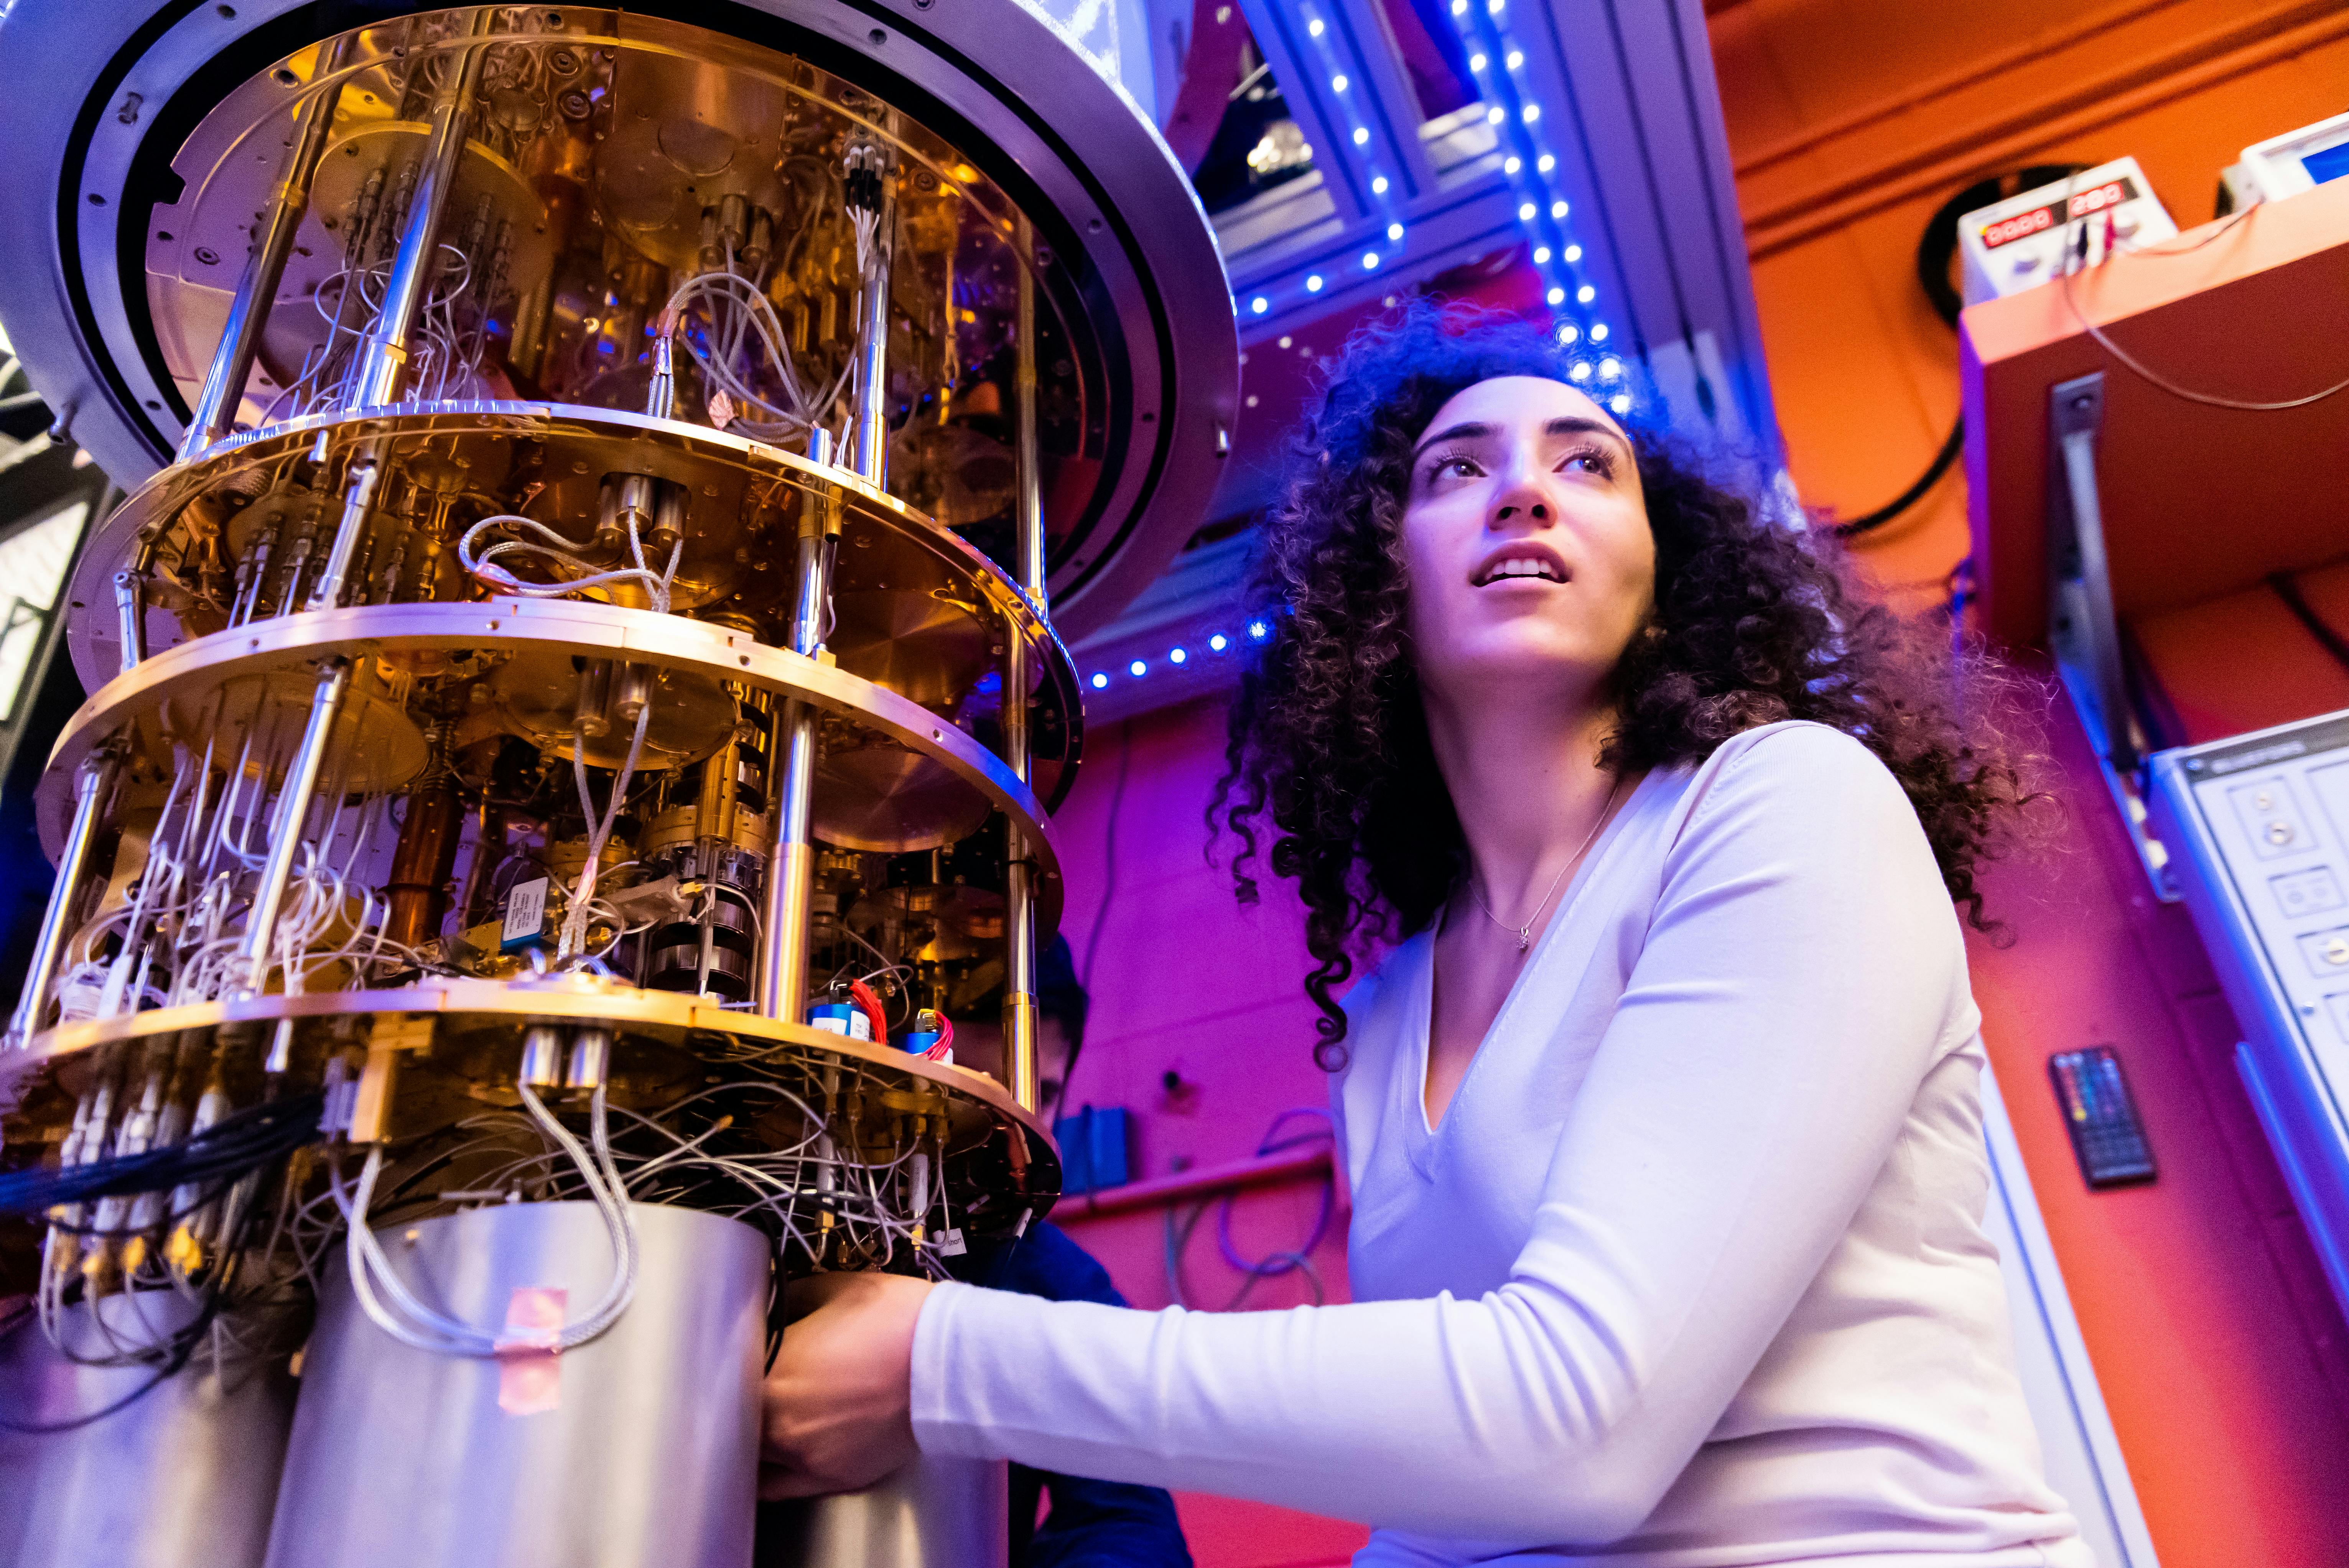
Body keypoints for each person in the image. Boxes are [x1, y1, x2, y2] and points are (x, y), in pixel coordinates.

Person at [758, 302, 2085, 1567]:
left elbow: (1579, 1426)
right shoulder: (1391, 1009)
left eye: (1587, 465)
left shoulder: (1782, 804)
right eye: (1457, 470)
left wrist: (945, 1359)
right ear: (1372, 591)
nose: (1523, 490)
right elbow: (1442, 1510)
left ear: (1663, 580)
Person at [758, 938, 1192, 1568]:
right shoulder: (721, 1227)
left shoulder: (1046, 1273)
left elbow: (1126, 1518)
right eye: (968, 1095)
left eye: (1038, 1094)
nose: (1003, 1131)